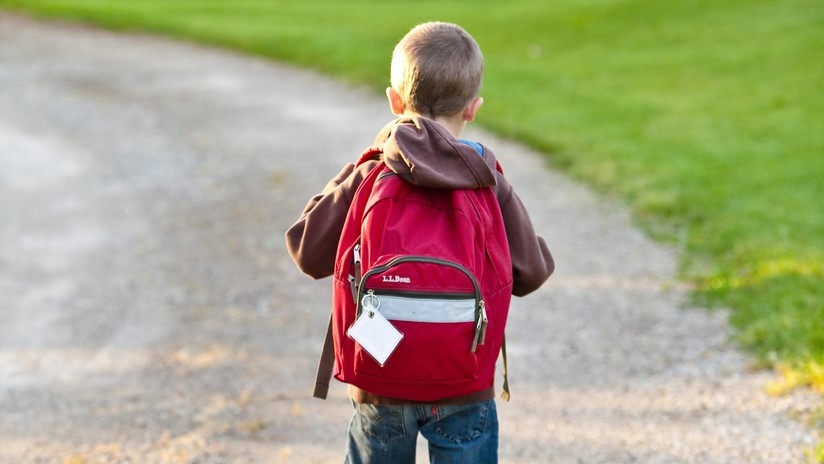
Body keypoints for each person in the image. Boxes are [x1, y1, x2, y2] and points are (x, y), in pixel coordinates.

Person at [285, 21, 554, 464]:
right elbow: (532, 274)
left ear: (394, 101)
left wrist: (356, 169)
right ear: (473, 108)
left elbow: (306, 251)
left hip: (380, 382)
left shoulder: (372, 173)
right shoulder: (486, 179)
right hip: (464, 384)